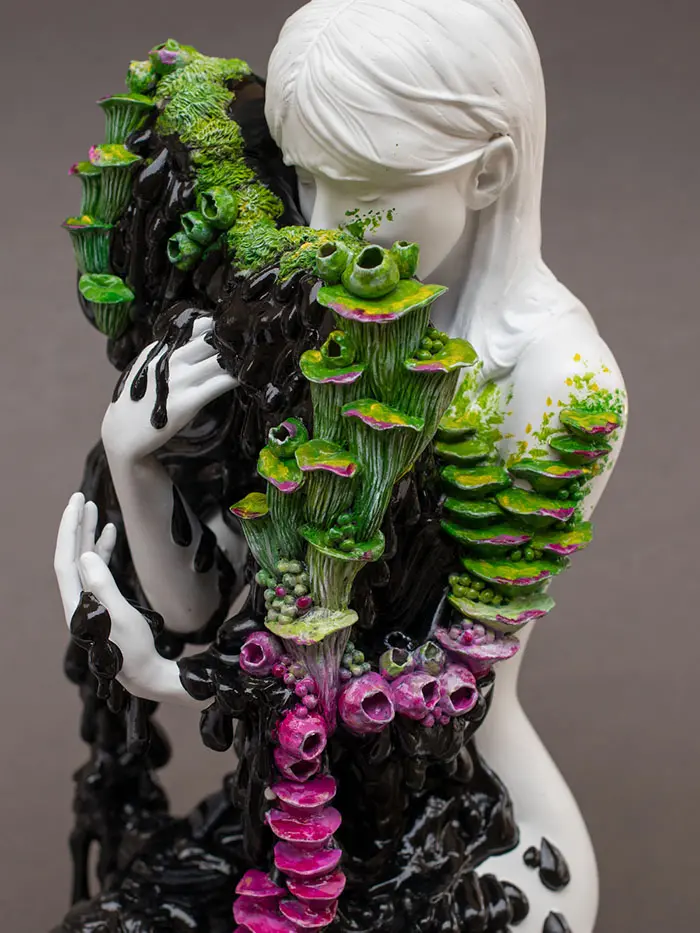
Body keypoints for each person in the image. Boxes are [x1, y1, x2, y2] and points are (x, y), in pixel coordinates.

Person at [55, 2, 626, 930]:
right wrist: (138, 460)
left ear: (488, 171)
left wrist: (176, 679)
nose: (318, 227)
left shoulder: (558, 384)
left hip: (463, 827)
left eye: (359, 192)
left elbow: (439, 688)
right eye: (306, 178)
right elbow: (204, 610)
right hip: (294, 809)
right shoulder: (322, 309)